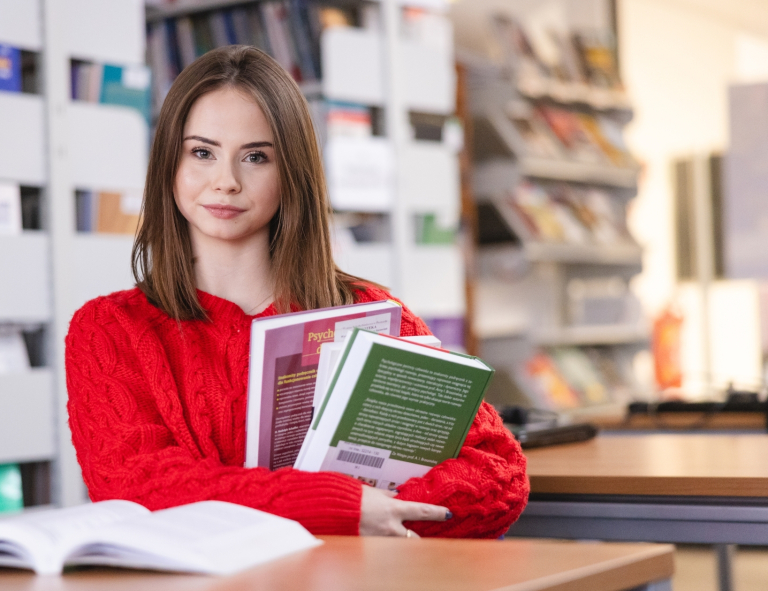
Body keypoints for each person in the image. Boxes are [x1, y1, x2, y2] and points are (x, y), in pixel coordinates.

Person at [65, 46, 528, 539]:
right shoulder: (108, 329)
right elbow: (136, 486)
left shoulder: (371, 314)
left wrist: (385, 514)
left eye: (256, 157)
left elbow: (499, 473)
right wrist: (340, 507)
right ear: (168, 164)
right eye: (202, 152)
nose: (226, 182)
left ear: (291, 173)